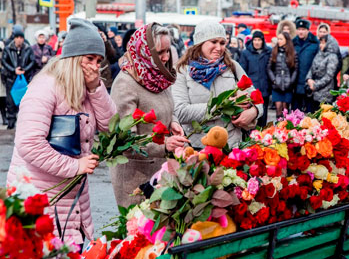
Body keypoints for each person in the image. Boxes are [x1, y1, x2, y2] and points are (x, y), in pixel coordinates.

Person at [6, 18, 116, 246]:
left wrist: (97, 89)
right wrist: (75, 167)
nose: (95, 66)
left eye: (98, 60)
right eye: (89, 59)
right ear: (73, 58)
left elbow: (111, 125)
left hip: (70, 199)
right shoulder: (45, 87)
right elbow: (29, 143)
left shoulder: (88, 88)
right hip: (39, 197)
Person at [110, 23, 188, 207]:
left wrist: (173, 122)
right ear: (144, 52)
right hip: (136, 179)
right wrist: (165, 145)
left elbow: (167, 107)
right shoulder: (125, 85)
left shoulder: (158, 76)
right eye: (160, 52)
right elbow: (125, 142)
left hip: (161, 173)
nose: (165, 57)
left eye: (167, 51)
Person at [173, 20, 262, 148]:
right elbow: (180, 112)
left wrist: (254, 111)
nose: (219, 48)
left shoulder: (232, 66)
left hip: (231, 145)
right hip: (197, 147)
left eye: (222, 43)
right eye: (213, 42)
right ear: (200, 43)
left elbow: (256, 98)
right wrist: (223, 106)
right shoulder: (182, 70)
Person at [1, 30, 35, 129]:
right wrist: (13, 70)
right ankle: (11, 120)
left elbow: (32, 61)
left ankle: (24, 121)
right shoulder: (8, 49)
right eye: (17, 37)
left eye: (21, 38)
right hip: (11, 78)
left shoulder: (28, 49)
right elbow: (4, 61)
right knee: (10, 101)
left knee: (24, 100)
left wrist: (25, 69)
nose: (19, 40)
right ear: (14, 38)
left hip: (24, 78)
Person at [240, 31, 272, 126]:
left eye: (259, 40)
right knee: (252, 115)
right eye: (255, 40)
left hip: (264, 88)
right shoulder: (246, 53)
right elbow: (242, 72)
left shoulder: (268, 52)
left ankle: (261, 134)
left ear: (262, 41)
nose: (257, 42)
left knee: (263, 114)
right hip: (251, 89)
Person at [267, 32, 298, 118]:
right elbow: (269, 68)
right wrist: (274, 80)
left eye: (281, 39)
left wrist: (291, 81)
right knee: (278, 108)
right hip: (276, 85)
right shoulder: (274, 51)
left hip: (288, 85)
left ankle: (286, 127)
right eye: (278, 39)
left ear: (286, 40)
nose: (279, 41)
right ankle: (278, 127)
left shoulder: (293, 53)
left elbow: (295, 69)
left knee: (285, 108)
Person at [292, 19, 319, 113]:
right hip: (295, 84)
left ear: (308, 30)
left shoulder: (315, 44)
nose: (300, 31)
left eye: (303, 29)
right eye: (299, 29)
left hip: (309, 83)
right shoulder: (293, 43)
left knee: (309, 113)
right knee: (295, 113)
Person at [306, 34, 340, 111]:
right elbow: (312, 68)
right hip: (314, 91)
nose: (320, 45)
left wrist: (315, 85)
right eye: (320, 43)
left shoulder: (332, 57)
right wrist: (309, 79)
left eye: (323, 43)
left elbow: (329, 76)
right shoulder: (319, 54)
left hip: (325, 93)